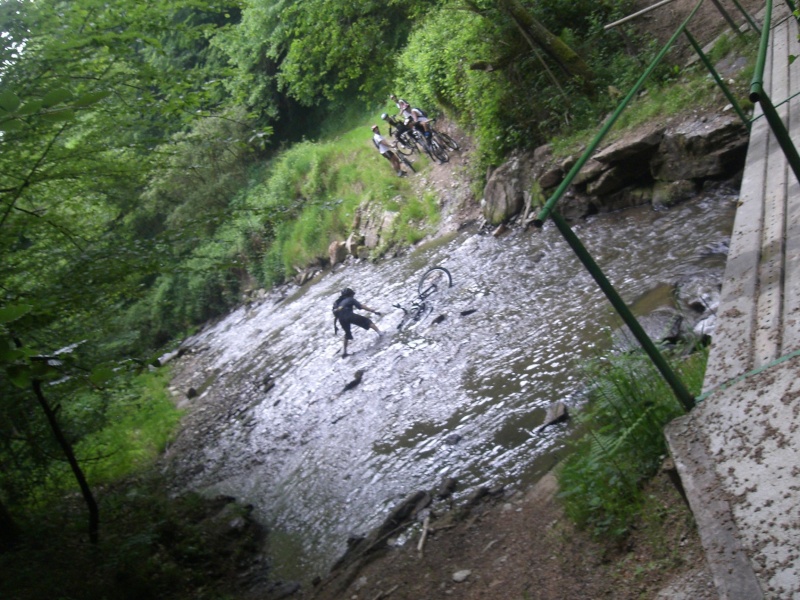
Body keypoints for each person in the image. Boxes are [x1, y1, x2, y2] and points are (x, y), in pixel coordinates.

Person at [332, 287, 382, 357]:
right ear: (350, 294)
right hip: (349, 315)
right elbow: (361, 306)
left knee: (347, 334)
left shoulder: (338, 302)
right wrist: (373, 311)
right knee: (368, 321)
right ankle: (380, 333)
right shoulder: (351, 299)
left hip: (341, 319)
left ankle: (344, 353)